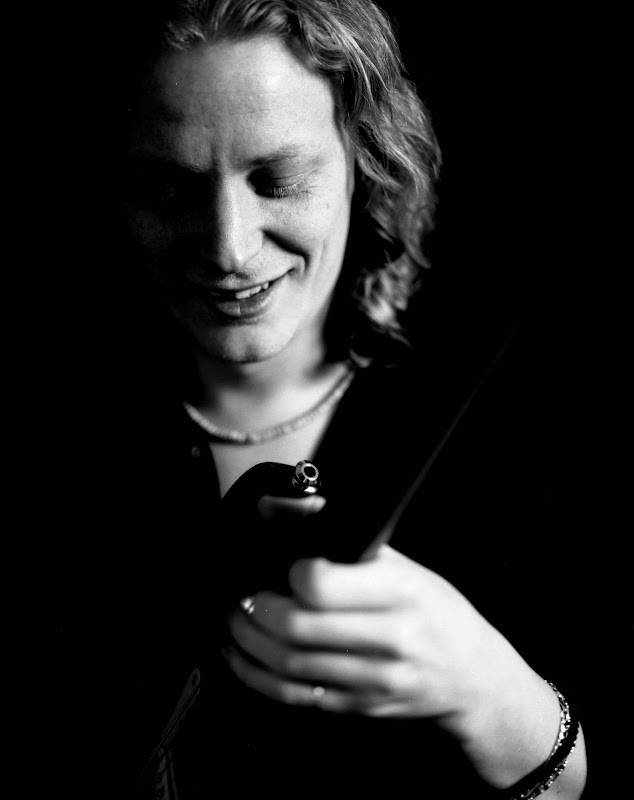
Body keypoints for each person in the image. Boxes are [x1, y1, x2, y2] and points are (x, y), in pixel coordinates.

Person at [42, 1, 594, 798]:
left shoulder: (520, 428)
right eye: (168, 188)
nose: (230, 248)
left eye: (279, 181)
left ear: (366, 164)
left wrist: (494, 696)